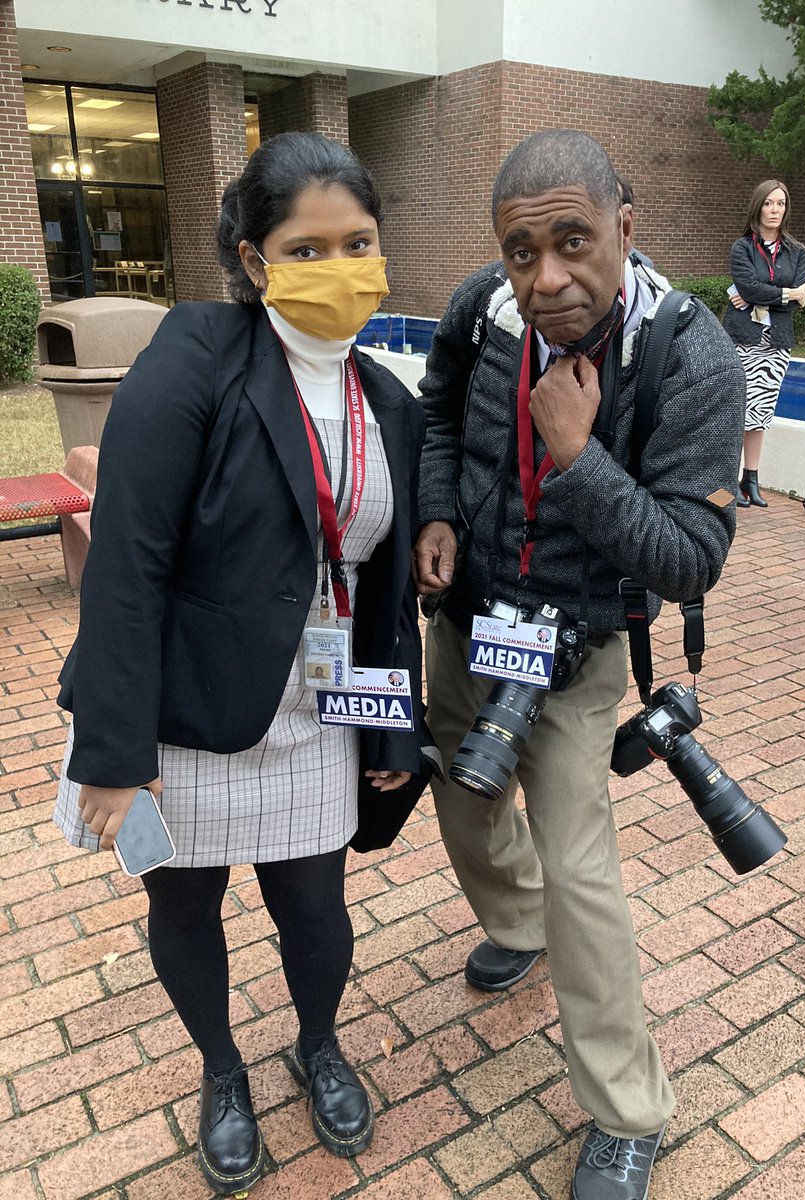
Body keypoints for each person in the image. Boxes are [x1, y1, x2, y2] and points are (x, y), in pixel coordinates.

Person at [53, 132, 434, 1195]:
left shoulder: (391, 405)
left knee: (315, 907)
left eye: (357, 243)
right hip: (184, 711)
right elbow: (127, 561)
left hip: (318, 709)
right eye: (307, 249)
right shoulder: (197, 355)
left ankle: (317, 1043)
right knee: (185, 906)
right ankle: (222, 1071)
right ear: (253, 258)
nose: (339, 268)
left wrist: (393, 722)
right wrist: (114, 751)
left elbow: (386, 597)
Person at [414, 129, 744, 1200]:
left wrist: (578, 458)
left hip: (576, 643)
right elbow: (434, 414)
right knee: (462, 807)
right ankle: (515, 925)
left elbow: (693, 558)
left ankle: (628, 1111)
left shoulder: (690, 355)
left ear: (624, 229)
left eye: (573, 241)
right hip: (467, 619)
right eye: (522, 251)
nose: (548, 276)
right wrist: (434, 510)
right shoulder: (479, 309)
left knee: (581, 873)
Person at [723, 179, 805, 508]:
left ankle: (752, 480)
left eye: (781, 204)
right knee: (736, 410)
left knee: (760, 413)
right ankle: (728, 481)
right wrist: (786, 294)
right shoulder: (742, 248)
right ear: (758, 207)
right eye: (769, 203)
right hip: (743, 340)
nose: (775, 210)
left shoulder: (797, 252)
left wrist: (761, 295)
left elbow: (800, 298)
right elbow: (749, 287)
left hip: (776, 343)